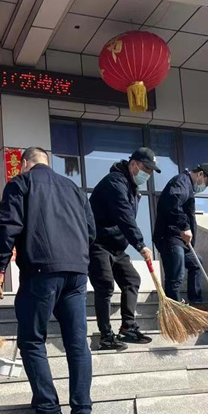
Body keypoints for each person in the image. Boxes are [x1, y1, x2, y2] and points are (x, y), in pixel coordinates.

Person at [0, 147, 96, 414]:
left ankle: (48, 412)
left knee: (32, 340)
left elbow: (8, 227)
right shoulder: (73, 188)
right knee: (77, 343)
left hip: (41, 271)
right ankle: (83, 413)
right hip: (77, 273)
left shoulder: (21, 183)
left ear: (24, 163)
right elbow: (91, 231)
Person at [88, 147, 158, 351]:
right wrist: (140, 244)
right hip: (98, 244)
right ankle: (106, 336)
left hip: (117, 247)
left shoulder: (133, 188)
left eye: (151, 171)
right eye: (146, 168)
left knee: (132, 280)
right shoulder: (114, 182)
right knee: (105, 286)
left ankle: (128, 327)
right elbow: (124, 215)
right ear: (133, 164)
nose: (148, 174)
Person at [153, 163, 208, 304]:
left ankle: (196, 302)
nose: (204, 187)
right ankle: (175, 310)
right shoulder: (181, 182)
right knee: (175, 276)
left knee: (197, 263)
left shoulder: (188, 186)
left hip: (180, 240)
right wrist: (184, 226)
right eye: (206, 183)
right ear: (200, 174)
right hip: (170, 236)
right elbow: (173, 202)